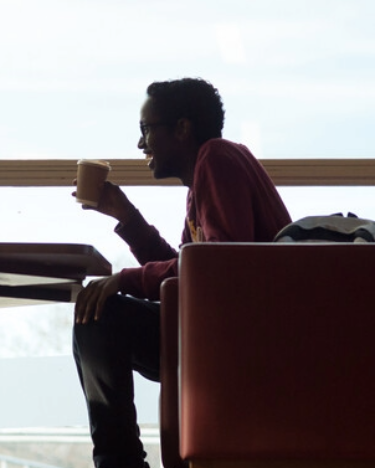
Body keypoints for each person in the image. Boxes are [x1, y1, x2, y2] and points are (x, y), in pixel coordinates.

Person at [72, 78, 291, 468]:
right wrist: (126, 217)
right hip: (220, 331)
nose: (141, 145)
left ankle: (118, 462)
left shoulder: (217, 158)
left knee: (100, 317)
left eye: (146, 130)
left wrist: (123, 280)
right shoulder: (207, 174)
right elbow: (189, 271)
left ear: (182, 128)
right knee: (99, 315)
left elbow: (216, 263)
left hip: (238, 338)